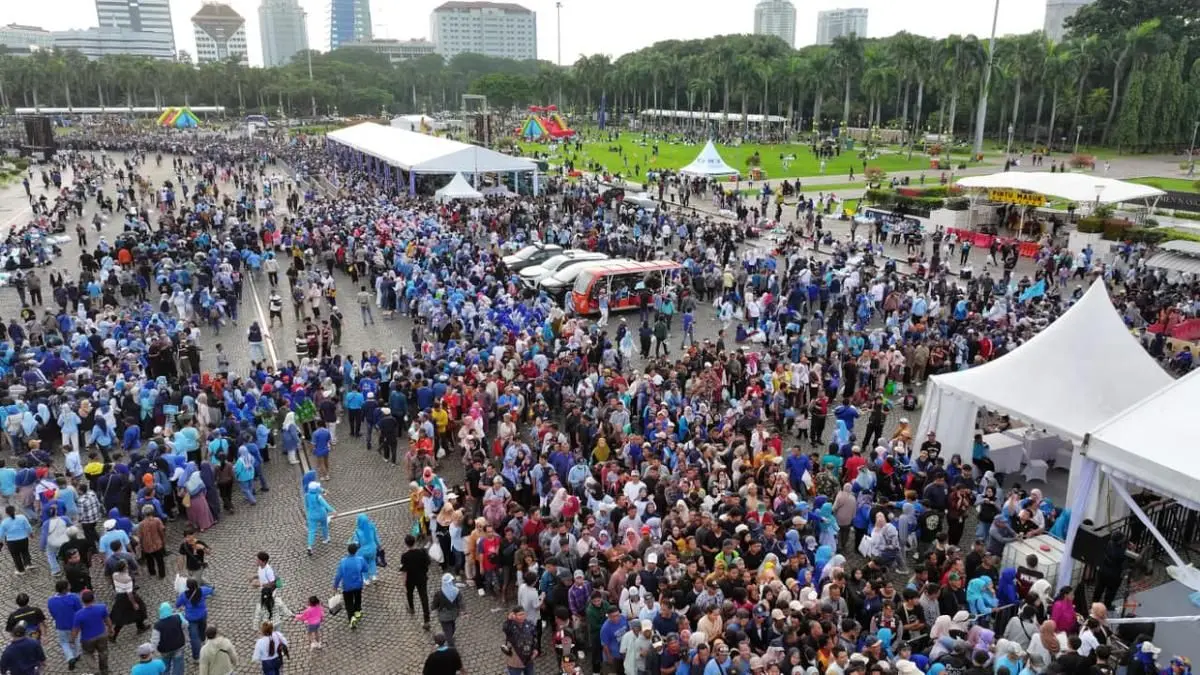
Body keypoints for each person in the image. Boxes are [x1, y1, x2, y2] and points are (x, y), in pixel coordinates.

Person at [72, 590, 113, 675]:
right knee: (103, 652)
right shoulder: (102, 607)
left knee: (87, 654)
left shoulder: (78, 614)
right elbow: (107, 620)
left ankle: (95, 671)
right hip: (102, 634)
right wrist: (110, 628)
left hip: (87, 638)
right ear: (93, 599)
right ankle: (104, 670)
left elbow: (76, 629)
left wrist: (72, 639)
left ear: (82, 601)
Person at [176, 578, 215, 662]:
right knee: (202, 630)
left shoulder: (184, 595)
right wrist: (212, 590)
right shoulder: (202, 590)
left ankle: (196, 657)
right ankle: (203, 640)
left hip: (191, 619)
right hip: (202, 616)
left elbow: (177, 604)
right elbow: (211, 591)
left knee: (194, 638)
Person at [47, 580, 83, 670]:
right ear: (65, 589)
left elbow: (52, 613)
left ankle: (70, 657)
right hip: (74, 625)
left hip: (61, 625)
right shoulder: (74, 597)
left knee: (64, 642)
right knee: (76, 640)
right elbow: (79, 611)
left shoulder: (51, 601)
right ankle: (76, 655)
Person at [400, 534, 432, 630]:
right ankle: (427, 620)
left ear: (406, 544)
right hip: (421, 577)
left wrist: (404, 583)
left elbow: (404, 571)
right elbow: (428, 562)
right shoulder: (422, 552)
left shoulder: (405, 556)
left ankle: (411, 608)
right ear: (414, 542)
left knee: (410, 593)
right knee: (424, 597)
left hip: (410, 579)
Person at [333, 542, 368, 629]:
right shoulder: (360, 559)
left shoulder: (343, 562)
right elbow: (365, 569)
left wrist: (335, 586)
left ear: (348, 551)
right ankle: (357, 612)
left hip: (347, 586)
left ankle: (351, 618)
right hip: (358, 584)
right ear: (356, 551)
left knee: (348, 602)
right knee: (357, 598)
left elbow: (338, 575)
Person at [151, 602, 189, 675]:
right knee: (178, 664)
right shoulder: (177, 617)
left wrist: (153, 650)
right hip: (179, 646)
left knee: (165, 666)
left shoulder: (158, 625)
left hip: (165, 650)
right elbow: (186, 624)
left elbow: (155, 640)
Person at [0, 504, 35, 574]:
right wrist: (30, 534)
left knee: (16, 556)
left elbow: (1, 534)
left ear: (6, 513)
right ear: (14, 511)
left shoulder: (4, 522)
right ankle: (28, 563)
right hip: (23, 539)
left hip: (11, 542)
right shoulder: (22, 517)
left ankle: (21, 570)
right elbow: (28, 526)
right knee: (25, 551)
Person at [432, 572, 464, 647]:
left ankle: (450, 644)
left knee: (447, 631)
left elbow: (434, 604)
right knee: (452, 627)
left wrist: (433, 608)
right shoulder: (456, 591)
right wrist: (463, 610)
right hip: (453, 614)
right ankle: (450, 639)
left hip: (443, 616)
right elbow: (460, 602)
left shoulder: (439, 594)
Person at [502, 606, 537, 675]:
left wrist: (535, 649)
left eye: (523, 614)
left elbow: (534, 637)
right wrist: (509, 619)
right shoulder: (510, 626)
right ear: (514, 616)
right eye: (520, 615)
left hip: (528, 659)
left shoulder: (529, 623)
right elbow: (505, 629)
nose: (522, 616)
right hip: (515, 661)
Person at [303, 481, 334, 555]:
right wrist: (333, 511)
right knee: (324, 526)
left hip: (311, 515)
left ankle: (310, 547)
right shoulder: (318, 496)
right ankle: (326, 539)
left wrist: (308, 514)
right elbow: (325, 504)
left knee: (312, 531)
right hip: (321, 514)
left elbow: (306, 506)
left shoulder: (306, 495)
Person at [350, 513, 381, 585]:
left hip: (362, 551)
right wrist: (379, 546)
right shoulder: (372, 527)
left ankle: (366, 579)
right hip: (372, 548)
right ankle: (374, 576)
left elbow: (356, 543)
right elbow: (376, 538)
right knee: (372, 561)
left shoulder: (357, 532)